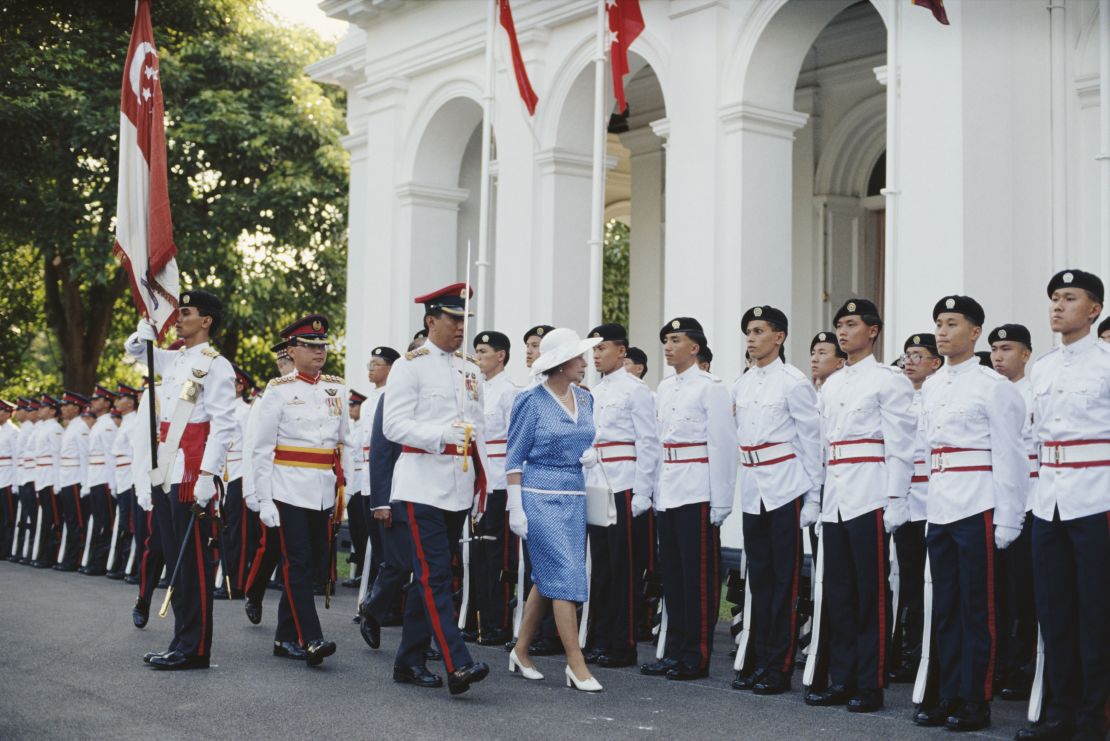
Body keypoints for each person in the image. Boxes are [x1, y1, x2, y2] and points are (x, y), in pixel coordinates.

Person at [912, 296, 1026, 732]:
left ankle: (975, 699)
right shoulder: (935, 385)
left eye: (952, 323)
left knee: (978, 610)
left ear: (975, 332)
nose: (942, 331)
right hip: (940, 506)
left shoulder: (992, 385)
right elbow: (928, 451)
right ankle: (946, 692)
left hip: (978, 503)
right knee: (945, 607)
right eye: (938, 323)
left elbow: (1010, 454)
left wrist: (1009, 517)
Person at [805, 298, 914, 713]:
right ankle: (843, 677)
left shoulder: (889, 380)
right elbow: (821, 447)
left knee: (871, 594)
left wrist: (897, 497)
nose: (843, 332)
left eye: (851, 324)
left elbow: (901, 445)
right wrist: (815, 497)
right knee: (839, 593)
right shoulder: (833, 383)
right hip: (835, 497)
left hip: (870, 494)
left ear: (872, 330)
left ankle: (870, 683)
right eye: (839, 325)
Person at [383, 283, 491, 695]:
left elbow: (480, 429)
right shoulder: (410, 366)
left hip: (458, 483)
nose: (461, 327)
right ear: (431, 320)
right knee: (435, 577)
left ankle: (409, 660)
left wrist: (486, 484)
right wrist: (439, 434)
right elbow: (393, 426)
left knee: (429, 577)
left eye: (464, 319)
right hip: (420, 482)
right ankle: (457, 662)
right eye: (453, 318)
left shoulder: (470, 370)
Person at [1016, 269, 1109, 741]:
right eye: (1053, 297)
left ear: (1093, 309)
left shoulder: (1107, 362)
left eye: (1069, 298)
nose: (1057, 306)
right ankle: (1059, 714)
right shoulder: (1045, 367)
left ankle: (1095, 720)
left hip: (1095, 498)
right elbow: (1032, 439)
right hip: (1049, 500)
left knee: (1096, 613)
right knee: (1054, 613)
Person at [126, 289, 238, 670]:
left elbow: (224, 426)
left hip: (193, 474)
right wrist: (142, 333)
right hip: (170, 471)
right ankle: (182, 641)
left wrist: (208, 475)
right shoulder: (177, 360)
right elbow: (142, 353)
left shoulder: (216, 365)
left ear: (205, 320)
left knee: (192, 567)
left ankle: (194, 648)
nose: (179, 318)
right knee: (176, 559)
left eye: (186, 312)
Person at [503, 327, 602, 691]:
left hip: (574, 496)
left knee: (548, 577)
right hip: (538, 494)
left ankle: (521, 650)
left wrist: (591, 456)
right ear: (561, 364)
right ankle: (576, 664)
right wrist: (516, 506)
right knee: (566, 573)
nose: (585, 363)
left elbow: (588, 438)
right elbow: (514, 457)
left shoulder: (586, 399)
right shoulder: (531, 401)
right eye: (579, 358)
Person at [730, 306, 822, 695]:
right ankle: (758, 659)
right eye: (748, 332)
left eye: (758, 331)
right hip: (754, 487)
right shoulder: (744, 383)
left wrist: (813, 496)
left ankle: (778, 666)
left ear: (779, 337)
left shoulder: (794, 382)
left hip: (784, 487)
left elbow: (811, 441)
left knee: (783, 582)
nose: (750, 338)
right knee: (760, 580)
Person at [248, 314, 349, 666]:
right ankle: (312, 638)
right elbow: (260, 449)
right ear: (292, 350)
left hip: (321, 488)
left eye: (322, 345)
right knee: (298, 563)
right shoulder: (278, 391)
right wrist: (263, 498)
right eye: (310, 345)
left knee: (314, 565)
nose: (319, 351)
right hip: (287, 487)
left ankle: (285, 637)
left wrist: (345, 490)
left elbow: (345, 443)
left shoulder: (336, 388)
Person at [642, 317, 735, 681]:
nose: (667, 346)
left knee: (698, 579)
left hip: (697, 489)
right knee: (675, 577)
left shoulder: (710, 387)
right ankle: (675, 650)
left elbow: (723, 445)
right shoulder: (666, 388)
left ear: (694, 347)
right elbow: (658, 444)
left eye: (675, 339)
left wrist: (721, 500)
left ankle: (695, 655)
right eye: (665, 339)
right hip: (670, 488)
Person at [583, 323, 660, 669]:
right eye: (594, 350)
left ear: (622, 351)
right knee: (600, 566)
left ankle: (623, 643)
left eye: (603, 348)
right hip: (597, 483)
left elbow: (647, 442)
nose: (597, 355)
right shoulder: (592, 392)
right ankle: (600, 636)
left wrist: (644, 491)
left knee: (624, 566)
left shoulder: (635, 390)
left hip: (624, 483)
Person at [361, 337, 439, 669]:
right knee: (397, 565)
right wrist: (382, 501)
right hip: (398, 492)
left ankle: (421, 640)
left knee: (429, 572)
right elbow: (382, 451)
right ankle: (373, 610)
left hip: (433, 496)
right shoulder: (395, 393)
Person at [987, 323, 1038, 701]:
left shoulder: (1035, 392)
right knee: (999, 590)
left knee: (1025, 592)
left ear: (1025, 354)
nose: (999, 356)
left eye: (1007, 348)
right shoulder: (989, 392)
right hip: (993, 499)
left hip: (1034, 499)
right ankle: (1002, 661)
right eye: (994, 349)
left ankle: (1025, 666)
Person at [887, 334, 942, 684]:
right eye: (907, 355)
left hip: (935, 501)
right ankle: (905, 649)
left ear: (935, 363)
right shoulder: (899, 400)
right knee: (908, 581)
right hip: (906, 502)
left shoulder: (938, 397)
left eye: (918, 356)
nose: (909, 362)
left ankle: (926, 650)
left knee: (931, 582)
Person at [470, 330, 520, 646]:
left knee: (499, 555)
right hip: (478, 480)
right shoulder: (475, 389)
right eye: (476, 350)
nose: (477, 356)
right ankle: (478, 618)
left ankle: (498, 622)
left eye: (483, 351)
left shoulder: (510, 392)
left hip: (500, 479)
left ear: (500, 355)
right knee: (478, 552)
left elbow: (515, 441)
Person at [242, 340, 295, 625]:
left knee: (297, 553)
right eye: (286, 365)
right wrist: (253, 491)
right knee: (271, 546)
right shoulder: (266, 399)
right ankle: (254, 591)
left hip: (301, 484)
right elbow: (253, 446)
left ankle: (292, 622)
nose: (289, 370)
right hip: (273, 484)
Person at [213, 365, 254, 599]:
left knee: (238, 533)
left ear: (240, 386)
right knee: (226, 532)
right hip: (225, 476)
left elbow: (250, 446)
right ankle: (226, 580)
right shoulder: (224, 412)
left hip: (239, 473)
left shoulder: (246, 411)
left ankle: (236, 584)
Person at [81, 384, 118, 575]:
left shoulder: (109, 425)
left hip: (104, 478)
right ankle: (96, 559)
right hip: (96, 478)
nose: (93, 402)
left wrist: (112, 484)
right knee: (98, 521)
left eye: (96, 399)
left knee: (106, 522)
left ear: (106, 402)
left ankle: (102, 561)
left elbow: (110, 457)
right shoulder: (99, 424)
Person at [107, 384, 141, 579]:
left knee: (131, 523)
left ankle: (131, 566)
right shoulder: (127, 422)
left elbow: (134, 454)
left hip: (129, 476)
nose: (118, 401)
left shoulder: (134, 421)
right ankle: (124, 564)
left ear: (130, 401)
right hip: (122, 476)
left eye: (121, 397)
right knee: (125, 523)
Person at [54, 391, 91, 572]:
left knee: (77, 522)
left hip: (76, 479)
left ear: (76, 408)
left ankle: (74, 559)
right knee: (70, 519)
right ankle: (68, 557)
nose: (62, 408)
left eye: (66, 405)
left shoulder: (81, 427)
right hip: (68, 478)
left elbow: (85, 457)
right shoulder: (71, 427)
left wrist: (85, 483)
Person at [31, 395, 63, 568]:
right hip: (42, 476)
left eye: (44, 407)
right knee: (46, 518)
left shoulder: (55, 429)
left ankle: (51, 554)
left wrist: (57, 481)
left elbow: (57, 456)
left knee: (53, 519)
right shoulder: (43, 428)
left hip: (51, 477)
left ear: (52, 411)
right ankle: (43, 553)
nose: (40, 410)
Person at [342, 388, 368, 589]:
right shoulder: (351, 427)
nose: (351, 409)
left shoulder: (364, 427)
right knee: (355, 528)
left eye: (354, 405)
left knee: (363, 528)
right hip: (353, 478)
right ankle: (359, 569)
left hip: (363, 477)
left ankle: (363, 570)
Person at [12, 398, 39, 563]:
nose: (26, 413)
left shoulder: (32, 429)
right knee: (26, 517)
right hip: (24, 476)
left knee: (34, 518)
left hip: (33, 477)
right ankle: (25, 551)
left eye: (30, 410)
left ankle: (32, 551)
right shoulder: (27, 429)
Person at [0, 399, 17, 558]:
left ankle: (6, 548)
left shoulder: (13, 432)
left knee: (8, 516)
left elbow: (16, 458)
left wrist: (15, 481)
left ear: (7, 413)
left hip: (7, 477)